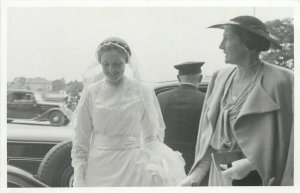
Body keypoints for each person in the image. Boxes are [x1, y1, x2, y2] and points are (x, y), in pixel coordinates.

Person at [179, 16, 293, 186]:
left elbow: (289, 141)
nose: (220, 46)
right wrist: (197, 174)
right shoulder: (220, 77)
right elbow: (209, 134)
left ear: (248, 43)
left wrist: (250, 163)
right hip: (219, 178)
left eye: (226, 38)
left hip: (259, 178)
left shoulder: (282, 80)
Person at [71, 37, 186, 187]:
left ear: (126, 61)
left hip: (133, 168)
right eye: (106, 64)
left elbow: (150, 136)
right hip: (98, 169)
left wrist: (154, 165)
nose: (112, 70)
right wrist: (79, 176)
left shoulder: (141, 90)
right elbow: (81, 140)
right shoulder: (92, 92)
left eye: (117, 64)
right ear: (100, 63)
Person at [157, 62, 205, 173]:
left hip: (167, 159)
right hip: (195, 160)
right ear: (201, 78)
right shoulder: (207, 99)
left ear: (178, 78)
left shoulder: (161, 97)